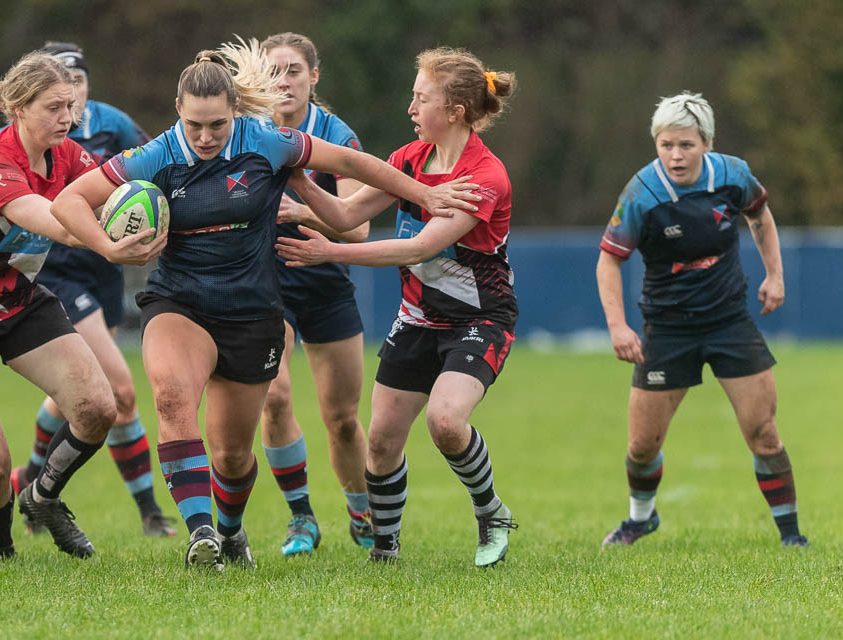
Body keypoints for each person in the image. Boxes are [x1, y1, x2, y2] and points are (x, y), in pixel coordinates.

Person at [52, 38, 477, 570]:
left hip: (252, 312)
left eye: (217, 125)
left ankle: (230, 532)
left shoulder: (268, 140)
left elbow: (351, 162)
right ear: (178, 113)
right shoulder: (155, 153)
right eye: (194, 125)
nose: (205, 137)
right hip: (178, 302)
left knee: (232, 454)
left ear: (236, 112)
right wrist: (109, 247)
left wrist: (423, 194)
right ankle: (201, 532)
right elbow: (69, 200)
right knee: (171, 399)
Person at [0, 51, 164, 561]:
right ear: (18, 107)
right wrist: (108, 245)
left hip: (18, 298)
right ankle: (0, 550)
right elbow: (47, 217)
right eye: (53, 107)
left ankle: (44, 497)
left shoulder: (69, 154)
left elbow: (109, 188)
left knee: (99, 409)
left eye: (70, 106)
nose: (67, 118)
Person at [277, 47, 519, 567]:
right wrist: (298, 178)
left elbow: (417, 248)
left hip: (479, 320)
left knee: (446, 423)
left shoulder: (485, 178)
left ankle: (490, 511)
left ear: (454, 111)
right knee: (381, 442)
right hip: (418, 320)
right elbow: (344, 212)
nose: (410, 108)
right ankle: (385, 552)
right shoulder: (409, 159)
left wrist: (328, 252)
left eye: (421, 98)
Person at [596, 92, 807, 548]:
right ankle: (640, 518)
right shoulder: (642, 193)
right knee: (642, 446)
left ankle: (791, 536)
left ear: (706, 143)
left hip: (730, 320)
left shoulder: (732, 175)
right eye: (666, 144)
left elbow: (761, 216)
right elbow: (609, 261)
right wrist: (617, 325)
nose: (675, 155)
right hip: (668, 327)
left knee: (764, 433)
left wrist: (775, 275)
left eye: (686, 145)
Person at [8, 42, 175, 539]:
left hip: (104, 269)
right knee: (120, 389)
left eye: (78, 85)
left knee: (69, 396)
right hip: (58, 270)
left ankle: (29, 481)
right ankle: (148, 512)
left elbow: (160, 165)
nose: (72, 98)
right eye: (61, 90)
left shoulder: (113, 125)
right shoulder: (27, 137)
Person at [258, 32, 373, 556]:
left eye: (294, 72)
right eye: (274, 71)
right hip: (264, 283)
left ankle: (362, 510)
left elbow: (359, 232)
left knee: (344, 421)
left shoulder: (335, 136)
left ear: (313, 77)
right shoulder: (247, 132)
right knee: (275, 396)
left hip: (326, 283)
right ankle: (301, 517)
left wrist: (306, 210)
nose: (283, 81)